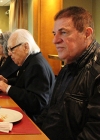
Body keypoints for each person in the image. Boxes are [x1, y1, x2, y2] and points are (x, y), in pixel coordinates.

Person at [36, 6, 100, 139]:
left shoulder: (97, 71)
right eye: (55, 34)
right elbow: (49, 112)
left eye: (63, 32)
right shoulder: (68, 67)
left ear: (87, 33)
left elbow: (93, 134)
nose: (55, 40)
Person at [0, 29, 55, 122]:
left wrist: (8, 88)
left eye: (11, 49)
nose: (9, 53)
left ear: (26, 47)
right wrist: (7, 81)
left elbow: (37, 103)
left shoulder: (37, 65)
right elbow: (26, 81)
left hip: (34, 121)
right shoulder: (31, 61)